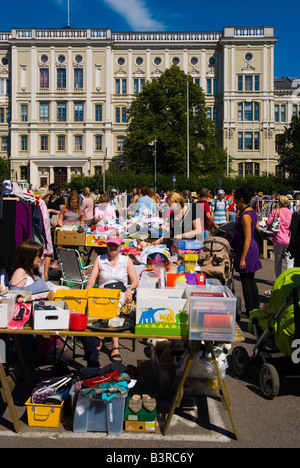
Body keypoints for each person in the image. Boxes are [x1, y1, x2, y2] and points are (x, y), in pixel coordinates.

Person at [82, 237, 139, 366]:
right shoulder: (100, 259)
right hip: (103, 293)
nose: (112, 247)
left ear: (120, 247)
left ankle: (113, 344)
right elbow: (91, 280)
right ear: (107, 246)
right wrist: (87, 292)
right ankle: (104, 337)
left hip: (121, 292)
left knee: (117, 302)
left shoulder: (126, 260)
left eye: (115, 245)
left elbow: (135, 281)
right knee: (102, 302)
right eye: (110, 245)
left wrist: (130, 288)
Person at [234, 185, 262, 317]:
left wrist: (243, 258)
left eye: (235, 200)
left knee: (246, 281)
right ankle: (255, 308)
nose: (235, 203)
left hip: (247, 250)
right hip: (252, 249)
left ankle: (250, 309)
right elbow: (257, 229)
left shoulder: (245, 215)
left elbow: (248, 239)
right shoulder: (252, 212)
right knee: (251, 280)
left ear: (241, 200)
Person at [266, 195, 294, 283]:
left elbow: (268, 223)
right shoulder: (292, 213)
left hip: (278, 239)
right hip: (289, 239)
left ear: (280, 203)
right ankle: (288, 280)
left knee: (278, 261)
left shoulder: (275, 211)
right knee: (289, 260)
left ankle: (279, 280)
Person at [47, 183, 66, 269]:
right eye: (49, 189)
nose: (50, 191)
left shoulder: (60, 199)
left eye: (51, 189)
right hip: (49, 222)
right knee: (51, 242)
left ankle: (56, 262)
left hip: (56, 222)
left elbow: (62, 211)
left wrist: (51, 210)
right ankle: (52, 260)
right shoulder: (50, 198)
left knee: (56, 243)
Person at [37, 186, 53, 281]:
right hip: (43, 233)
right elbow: (45, 221)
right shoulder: (41, 203)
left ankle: (44, 274)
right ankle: (44, 275)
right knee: (46, 253)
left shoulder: (40, 203)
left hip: (42, 232)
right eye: (48, 195)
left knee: (45, 253)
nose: (49, 197)